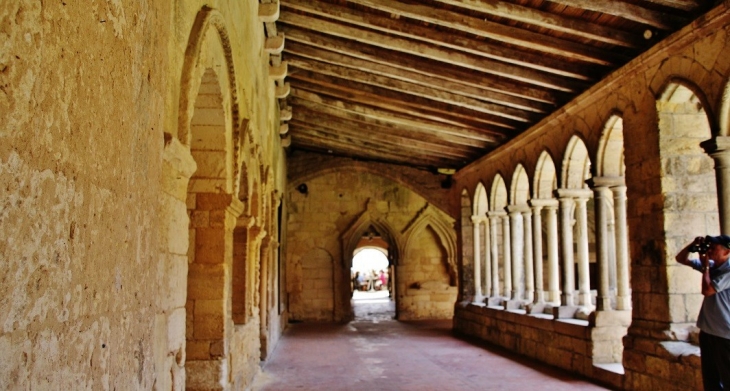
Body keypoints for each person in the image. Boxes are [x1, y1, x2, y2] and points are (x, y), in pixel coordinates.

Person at [676, 235, 730, 391]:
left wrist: (705, 266)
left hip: (724, 334)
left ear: (727, 252)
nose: (710, 250)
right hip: (708, 331)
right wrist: (693, 245)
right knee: (711, 379)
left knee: (728, 379)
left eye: (714, 248)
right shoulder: (713, 265)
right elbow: (681, 258)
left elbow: (707, 290)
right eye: (709, 247)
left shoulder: (726, 271)